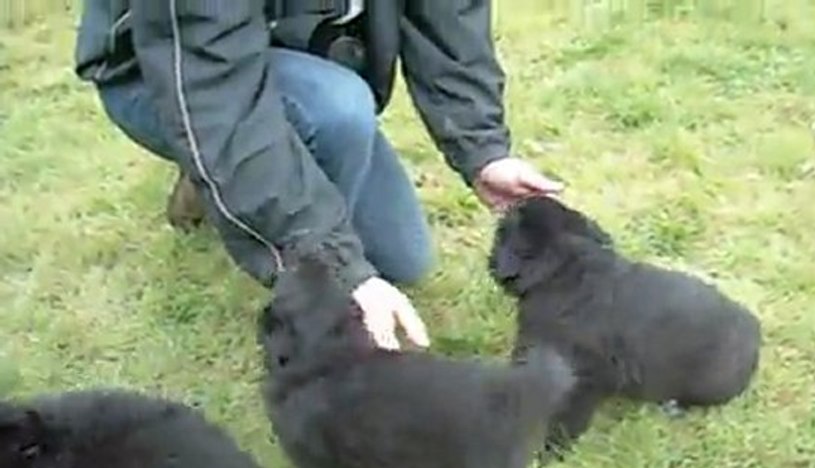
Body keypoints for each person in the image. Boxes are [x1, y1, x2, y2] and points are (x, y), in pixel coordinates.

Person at [73, 1, 563, 350]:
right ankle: (216, 173)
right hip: (168, 78)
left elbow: (447, 15)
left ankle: (220, 178)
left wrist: (483, 150)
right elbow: (215, 98)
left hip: (295, 60)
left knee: (403, 260)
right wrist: (334, 266)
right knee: (337, 111)